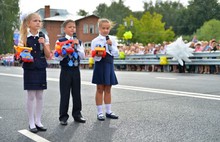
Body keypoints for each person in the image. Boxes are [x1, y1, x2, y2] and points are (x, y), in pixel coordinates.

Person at [19, 13, 51, 133]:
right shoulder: (24, 37)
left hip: (41, 68)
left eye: (39, 21)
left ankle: (38, 121)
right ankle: (31, 122)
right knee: (31, 95)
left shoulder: (44, 36)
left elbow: (48, 55)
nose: (38, 23)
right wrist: (22, 52)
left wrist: (43, 43)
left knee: (40, 96)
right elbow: (19, 55)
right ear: (28, 23)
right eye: (35, 21)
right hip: (29, 68)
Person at [55, 19, 86, 125]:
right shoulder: (60, 41)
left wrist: (76, 46)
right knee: (65, 93)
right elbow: (57, 57)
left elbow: (83, 56)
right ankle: (63, 116)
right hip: (65, 70)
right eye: (70, 27)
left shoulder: (79, 41)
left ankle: (77, 114)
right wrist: (64, 51)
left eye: (74, 27)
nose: (72, 29)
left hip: (76, 70)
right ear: (65, 29)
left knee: (77, 93)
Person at [91, 18, 119, 121]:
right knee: (99, 88)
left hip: (109, 63)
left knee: (108, 88)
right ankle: (99, 112)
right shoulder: (95, 41)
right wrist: (98, 54)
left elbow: (116, 53)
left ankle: (108, 111)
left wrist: (111, 45)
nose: (106, 30)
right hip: (100, 64)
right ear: (99, 28)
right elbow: (94, 57)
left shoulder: (112, 39)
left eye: (107, 28)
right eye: (103, 28)